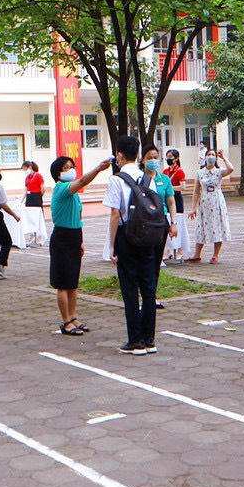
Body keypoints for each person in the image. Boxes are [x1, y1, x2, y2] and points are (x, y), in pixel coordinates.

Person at [106, 136, 162, 355]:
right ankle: (149, 340)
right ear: (138, 154)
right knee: (148, 287)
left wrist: (112, 246)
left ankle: (135, 341)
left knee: (130, 288)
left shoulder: (116, 179)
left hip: (127, 235)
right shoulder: (148, 177)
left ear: (120, 155)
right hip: (148, 235)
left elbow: (114, 214)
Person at [48, 156, 111, 335]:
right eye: (66, 168)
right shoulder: (61, 188)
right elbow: (83, 181)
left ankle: (73, 316)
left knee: (73, 283)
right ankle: (66, 321)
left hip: (74, 236)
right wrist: (98, 168)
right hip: (62, 237)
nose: (71, 170)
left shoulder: (74, 194)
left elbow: (78, 218)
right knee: (63, 283)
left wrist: (81, 240)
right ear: (58, 173)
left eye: (72, 166)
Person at [143, 146, 179, 310]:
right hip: (143, 223)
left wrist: (173, 223)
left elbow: (171, 202)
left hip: (160, 222)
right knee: (145, 259)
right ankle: (144, 295)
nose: (153, 160)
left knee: (156, 260)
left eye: (155, 157)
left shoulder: (164, 179)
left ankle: (152, 296)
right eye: (149, 157)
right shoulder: (139, 179)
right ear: (143, 160)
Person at [187, 148, 233, 263]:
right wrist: (193, 208)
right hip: (204, 201)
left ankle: (215, 255)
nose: (211, 156)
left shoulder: (219, 171)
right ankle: (197, 254)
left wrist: (223, 157)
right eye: (209, 154)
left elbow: (231, 169)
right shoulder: (200, 173)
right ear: (205, 157)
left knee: (218, 226)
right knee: (201, 227)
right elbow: (196, 191)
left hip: (217, 200)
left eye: (213, 155)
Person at [163, 149, 192, 263]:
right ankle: (169, 250)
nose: (169, 159)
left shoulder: (179, 171)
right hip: (167, 199)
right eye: (167, 157)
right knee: (167, 222)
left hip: (177, 199)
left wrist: (170, 188)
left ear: (176, 158)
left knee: (178, 223)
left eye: (171, 157)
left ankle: (180, 250)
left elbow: (183, 187)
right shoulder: (165, 171)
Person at [22, 161, 47, 247]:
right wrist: (22, 200)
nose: (25, 171)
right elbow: (26, 189)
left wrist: (39, 196)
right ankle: (32, 234)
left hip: (36, 197)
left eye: (25, 169)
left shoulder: (38, 176)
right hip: (29, 197)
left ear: (30, 167)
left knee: (38, 216)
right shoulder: (27, 177)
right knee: (30, 216)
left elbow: (42, 189)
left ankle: (39, 235)